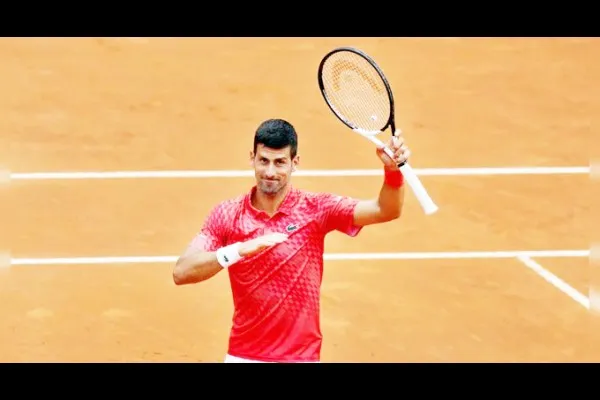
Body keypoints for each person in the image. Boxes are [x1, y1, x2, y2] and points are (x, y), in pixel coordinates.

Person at [172, 118, 410, 363]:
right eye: (263, 160)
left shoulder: (317, 209)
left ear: (294, 163)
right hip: (244, 356)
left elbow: (385, 210)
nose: (270, 172)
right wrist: (238, 250)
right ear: (252, 158)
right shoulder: (228, 214)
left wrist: (393, 172)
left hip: (300, 358)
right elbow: (182, 271)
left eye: (280, 162)